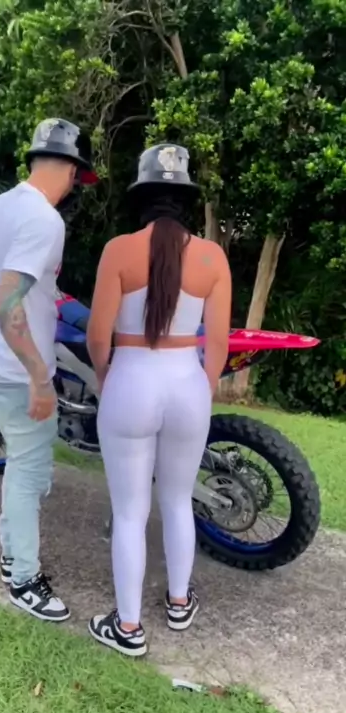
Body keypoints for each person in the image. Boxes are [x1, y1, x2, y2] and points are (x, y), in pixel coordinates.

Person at [0, 118, 98, 623]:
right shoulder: (44, 220)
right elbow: (5, 297)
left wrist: (2, 304)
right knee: (29, 475)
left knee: (21, 469)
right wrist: (39, 378)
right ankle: (24, 579)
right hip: (18, 372)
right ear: (71, 171)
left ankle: (15, 558)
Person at [86, 143, 231, 657]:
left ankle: (127, 627)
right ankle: (178, 601)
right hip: (187, 383)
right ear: (186, 200)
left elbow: (98, 336)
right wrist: (203, 387)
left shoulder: (119, 251)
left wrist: (105, 376)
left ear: (142, 198)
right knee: (177, 500)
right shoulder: (212, 257)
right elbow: (218, 344)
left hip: (131, 380)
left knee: (130, 511)